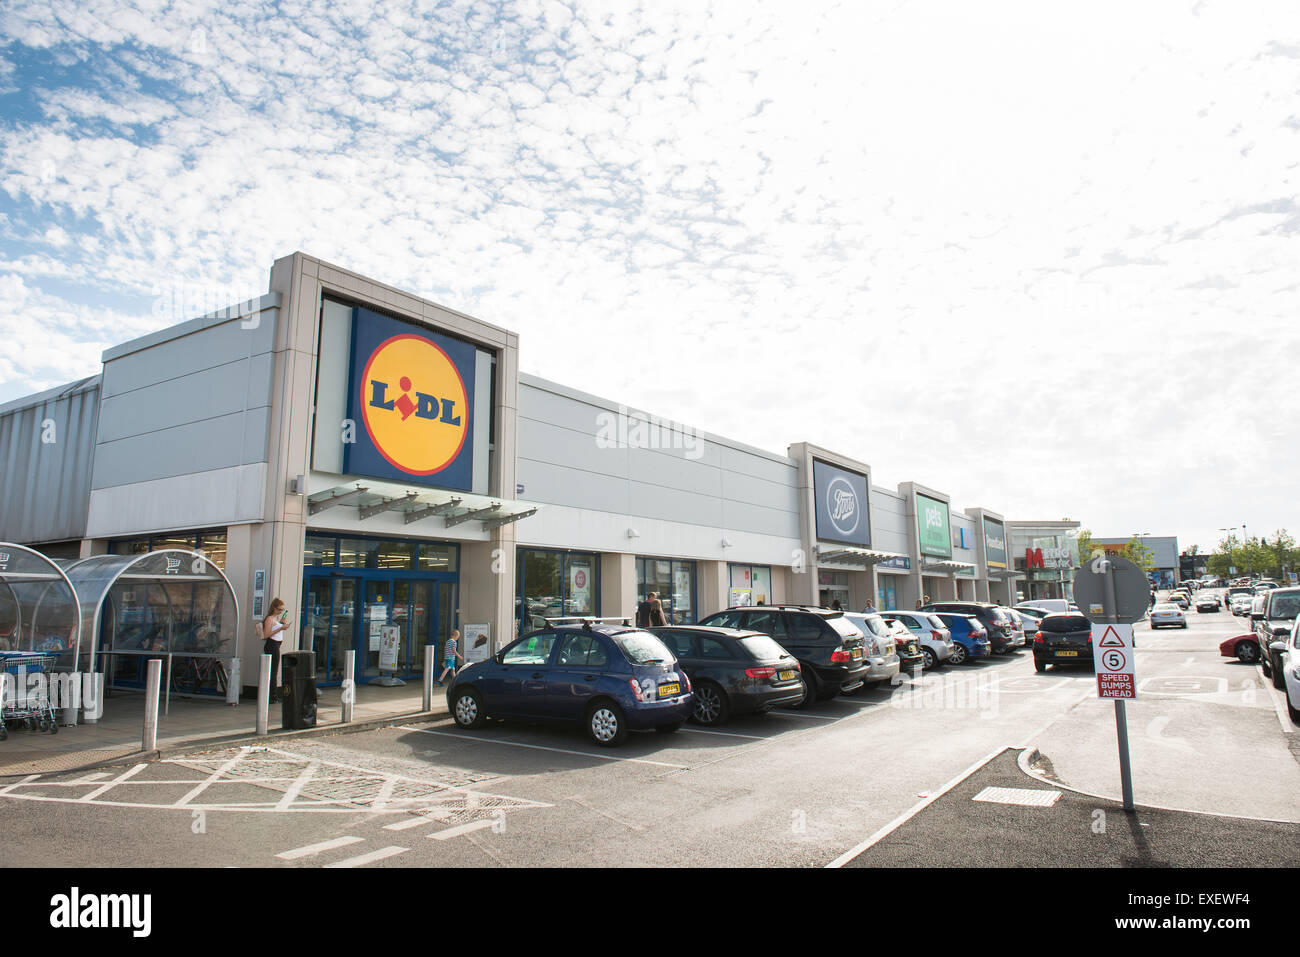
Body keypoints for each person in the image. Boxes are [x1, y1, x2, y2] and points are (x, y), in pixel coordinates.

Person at [262, 598, 290, 703]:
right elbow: (266, 634)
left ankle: (272, 695)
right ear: (274, 608)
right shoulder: (269, 619)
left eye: (282, 610)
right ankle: (272, 696)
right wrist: (280, 628)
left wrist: (282, 624)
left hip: (276, 644)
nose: (280, 612)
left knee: (274, 670)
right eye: (279, 609)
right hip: (272, 645)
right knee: (273, 671)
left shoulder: (275, 619)